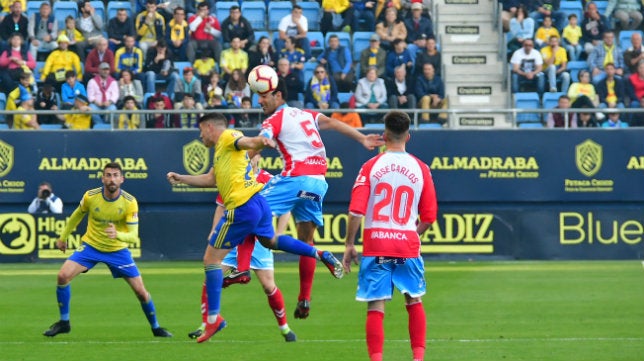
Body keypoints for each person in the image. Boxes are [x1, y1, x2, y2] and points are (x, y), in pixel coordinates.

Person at [165, 113, 346, 343]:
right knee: (270, 241)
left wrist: (261, 141)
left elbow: (247, 141)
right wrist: (181, 177)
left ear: (210, 127)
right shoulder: (221, 154)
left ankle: (214, 319)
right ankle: (318, 253)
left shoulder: (228, 137)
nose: (200, 136)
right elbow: (210, 180)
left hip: (243, 207)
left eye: (201, 130)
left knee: (210, 260)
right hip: (258, 204)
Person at [232, 79, 383, 319]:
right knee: (306, 241)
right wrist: (362, 138)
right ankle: (305, 298)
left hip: (296, 178)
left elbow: (261, 140)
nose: (259, 101)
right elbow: (333, 122)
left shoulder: (274, 119)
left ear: (278, 95)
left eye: (263, 96)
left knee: (246, 207)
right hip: (318, 183)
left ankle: (241, 270)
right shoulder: (305, 114)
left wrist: (241, 156)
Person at [342, 110, 437, 361]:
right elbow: (428, 217)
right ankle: (418, 358)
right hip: (406, 244)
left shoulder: (371, 166)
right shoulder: (421, 168)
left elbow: (356, 210)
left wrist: (350, 244)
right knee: (413, 300)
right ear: (408, 136)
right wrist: (410, 234)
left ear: (384, 136)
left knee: (376, 305)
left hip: (376, 244)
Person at [43, 162, 172, 338]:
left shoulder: (129, 202)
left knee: (141, 292)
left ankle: (156, 327)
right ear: (102, 178)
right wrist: (62, 237)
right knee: (62, 276)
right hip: (91, 246)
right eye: (108, 175)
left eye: (115, 175)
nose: (112, 179)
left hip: (118, 250)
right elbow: (76, 215)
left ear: (122, 179)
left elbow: (133, 236)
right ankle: (64, 323)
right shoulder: (90, 196)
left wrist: (118, 234)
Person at [188, 154, 297, 342]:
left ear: (258, 160)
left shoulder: (270, 181)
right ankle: (208, 323)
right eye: (246, 158)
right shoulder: (233, 179)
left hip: (260, 240)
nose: (249, 161)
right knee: (211, 275)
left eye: (252, 157)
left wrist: (278, 234)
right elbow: (221, 207)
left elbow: (286, 207)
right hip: (235, 237)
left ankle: (285, 328)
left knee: (268, 286)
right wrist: (214, 230)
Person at [87, 62, 119, 126]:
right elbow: (90, 95)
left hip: (108, 105)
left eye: (107, 70)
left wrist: (109, 102)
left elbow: (115, 95)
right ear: (99, 70)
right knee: (91, 108)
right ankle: (99, 125)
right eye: (103, 69)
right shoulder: (92, 81)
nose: (105, 71)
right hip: (97, 105)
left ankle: (108, 125)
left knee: (113, 109)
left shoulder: (113, 82)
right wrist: (97, 102)